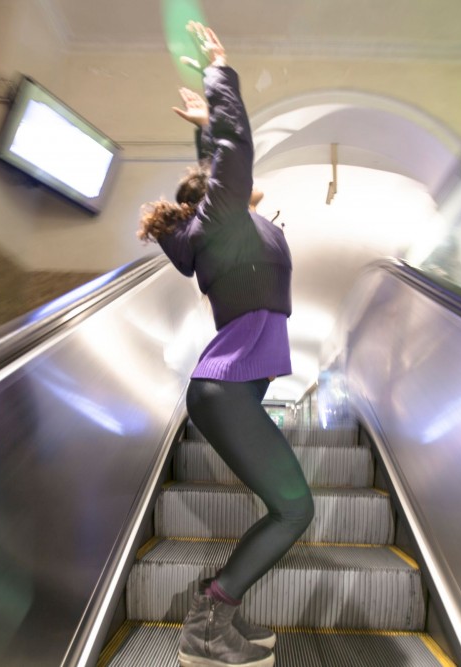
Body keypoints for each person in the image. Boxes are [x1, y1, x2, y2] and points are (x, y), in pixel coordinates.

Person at [137, 21, 314, 667]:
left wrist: (203, 129)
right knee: (294, 509)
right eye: (216, 181)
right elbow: (233, 153)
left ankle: (217, 618)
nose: (234, 182)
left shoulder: (227, 227)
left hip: (231, 388)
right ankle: (207, 629)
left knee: (287, 507)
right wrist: (219, 73)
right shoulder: (224, 221)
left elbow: (218, 162)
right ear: (212, 197)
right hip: (226, 388)